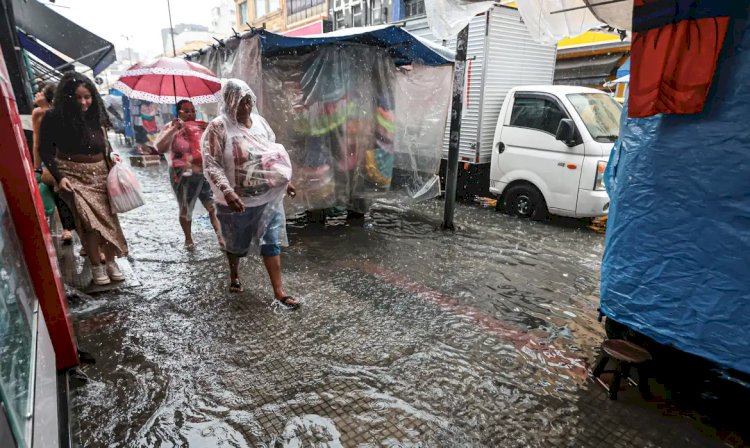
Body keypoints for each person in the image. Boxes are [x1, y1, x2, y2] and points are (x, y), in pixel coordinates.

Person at [202, 79, 300, 308]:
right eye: (239, 103)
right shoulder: (218, 127)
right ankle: (234, 273)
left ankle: (279, 291)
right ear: (228, 103)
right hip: (235, 203)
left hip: (266, 198)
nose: (245, 107)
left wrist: (286, 181)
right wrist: (227, 192)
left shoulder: (260, 124)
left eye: (248, 101)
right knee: (236, 244)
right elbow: (211, 164)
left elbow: (271, 156)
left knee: (270, 241)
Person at [39, 72, 129, 286]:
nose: (83, 102)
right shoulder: (53, 117)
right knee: (88, 224)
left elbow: (104, 143)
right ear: (66, 98)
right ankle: (97, 266)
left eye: (87, 97)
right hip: (72, 175)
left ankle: (112, 262)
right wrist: (59, 177)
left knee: (109, 221)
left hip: (101, 173)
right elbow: (45, 149)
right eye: (78, 98)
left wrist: (112, 156)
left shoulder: (96, 114)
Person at [155, 100, 223, 250]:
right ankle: (188, 239)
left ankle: (221, 238)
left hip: (204, 171)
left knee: (213, 206)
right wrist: (174, 130)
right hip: (182, 174)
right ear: (178, 112)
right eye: (186, 111)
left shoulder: (202, 126)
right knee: (186, 208)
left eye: (192, 110)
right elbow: (160, 147)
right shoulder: (171, 127)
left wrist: (211, 130)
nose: (191, 114)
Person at [32, 82, 76, 245]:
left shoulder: (68, 113)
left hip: (68, 158)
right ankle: (67, 229)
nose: (38, 95)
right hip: (52, 160)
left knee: (68, 194)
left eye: (42, 93)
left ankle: (75, 231)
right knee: (60, 192)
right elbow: (37, 141)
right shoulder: (39, 113)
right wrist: (37, 167)